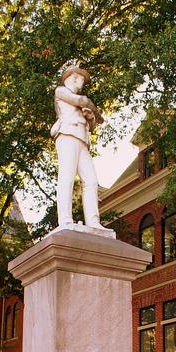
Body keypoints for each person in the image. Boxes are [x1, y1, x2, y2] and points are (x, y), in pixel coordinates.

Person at [51, 65, 105, 229]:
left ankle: (93, 222)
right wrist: (94, 111)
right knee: (66, 177)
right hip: (67, 135)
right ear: (72, 77)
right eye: (81, 79)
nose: (82, 83)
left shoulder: (76, 97)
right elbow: (82, 101)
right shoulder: (61, 91)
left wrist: (91, 117)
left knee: (91, 181)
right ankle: (65, 220)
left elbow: (94, 124)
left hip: (82, 140)